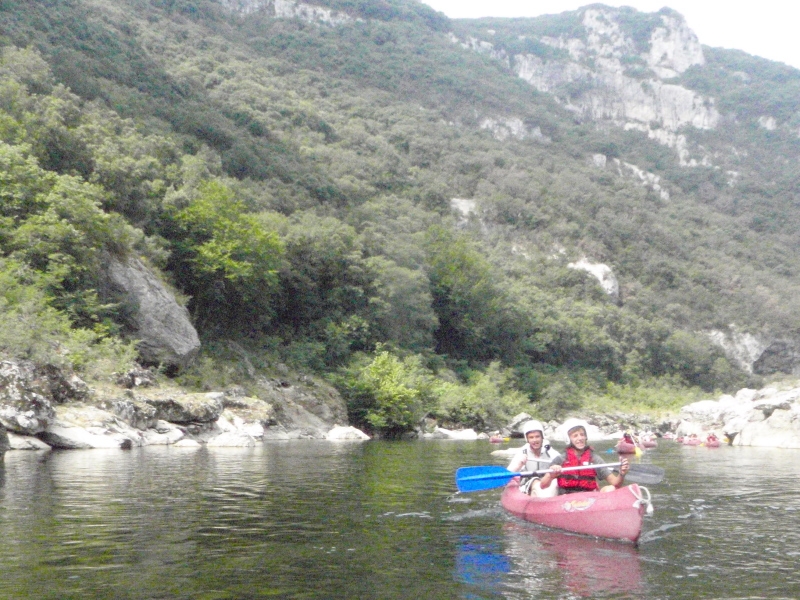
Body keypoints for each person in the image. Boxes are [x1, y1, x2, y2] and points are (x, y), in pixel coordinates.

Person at [538, 418, 629, 494]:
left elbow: (615, 483)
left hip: (589, 500)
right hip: (566, 502)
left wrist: (622, 473)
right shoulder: (560, 459)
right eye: (575, 436)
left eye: (582, 435)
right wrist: (551, 475)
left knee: (611, 489)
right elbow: (543, 485)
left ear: (586, 437)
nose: (580, 438)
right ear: (568, 439)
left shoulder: (594, 459)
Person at [507, 420, 560, 496]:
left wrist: (557, 467)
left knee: (555, 482)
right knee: (535, 482)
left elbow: (564, 465)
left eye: (537, 436)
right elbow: (509, 473)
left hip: (546, 481)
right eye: (531, 437)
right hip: (527, 484)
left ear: (542, 437)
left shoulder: (550, 452)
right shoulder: (522, 452)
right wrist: (519, 465)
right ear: (527, 439)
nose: (535, 440)